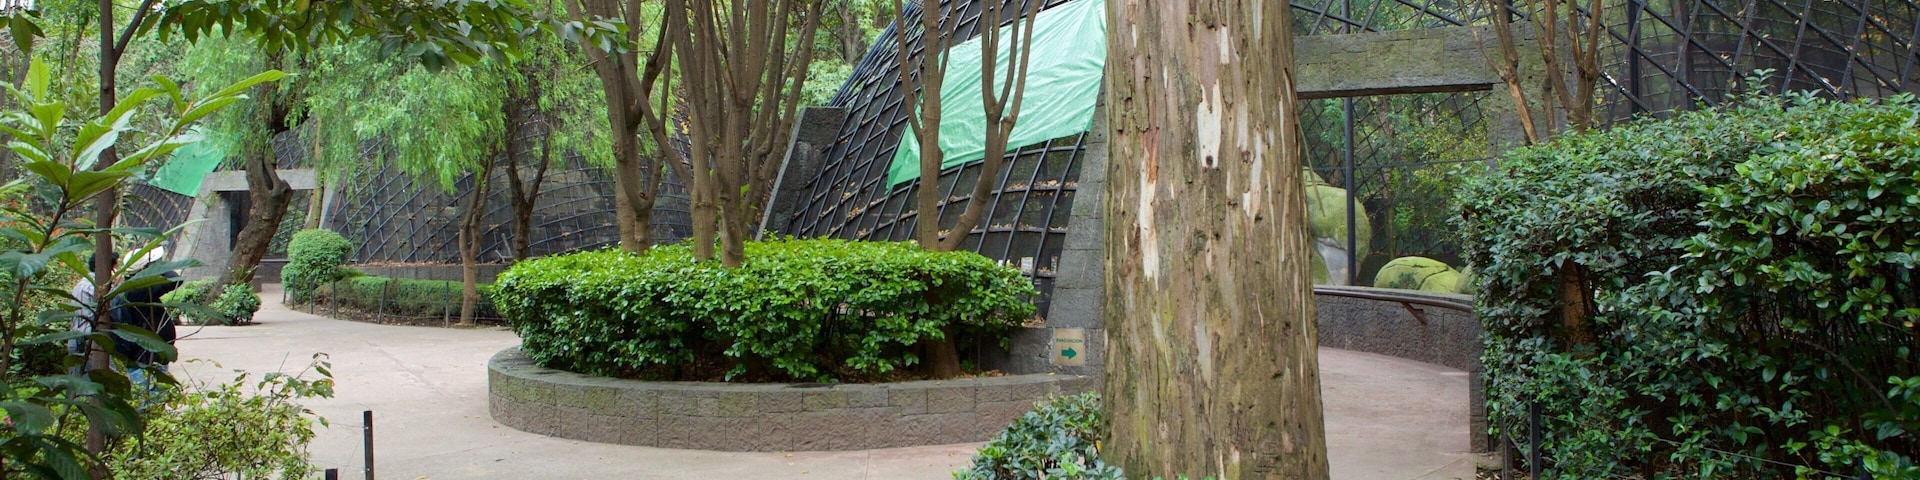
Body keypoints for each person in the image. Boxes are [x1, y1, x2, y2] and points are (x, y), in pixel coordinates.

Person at [109, 247, 181, 395]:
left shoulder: (136, 288)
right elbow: (174, 277)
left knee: (153, 402)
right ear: (144, 269)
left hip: (150, 357)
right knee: (149, 402)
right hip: (145, 359)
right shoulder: (137, 290)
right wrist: (152, 270)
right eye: (155, 263)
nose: (159, 266)